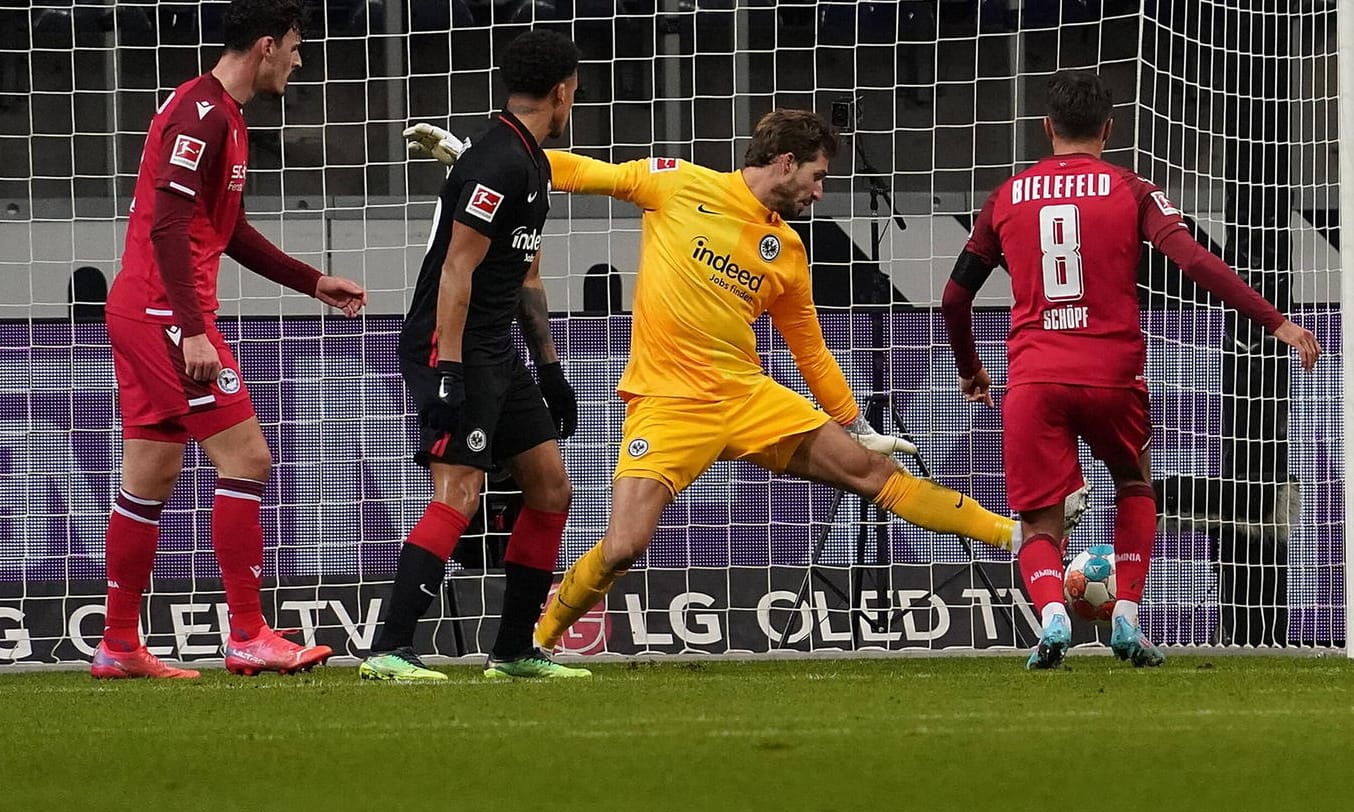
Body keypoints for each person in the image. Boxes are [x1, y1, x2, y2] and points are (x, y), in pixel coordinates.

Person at [406, 109, 1072, 653]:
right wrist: (473, 160)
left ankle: (1016, 537)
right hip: (667, 404)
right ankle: (537, 642)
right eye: (815, 175)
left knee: (874, 477)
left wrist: (857, 425)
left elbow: (808, 349)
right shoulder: (677, 182)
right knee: (622, 546)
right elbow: (580, 171)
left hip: (748, 397)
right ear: (785, 162)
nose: (819, 191)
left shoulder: (788, 249)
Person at [941, 70, 1322, 671]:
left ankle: (1053, 617)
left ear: (1047, 127)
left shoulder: (1007, 197)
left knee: (1038, 519)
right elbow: (1196, 261)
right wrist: (1276, 321)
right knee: (1134, 484)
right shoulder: (1131, 189)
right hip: (1113, 375)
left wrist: (971, 369)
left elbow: (954, 300)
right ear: (1109, 129)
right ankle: (1125, 614)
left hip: (1035, 377)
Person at [94, 0, 367, 680]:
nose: (300, 62)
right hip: (163, 311)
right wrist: (190, 329)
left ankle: (120, 643)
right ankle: (246, 630)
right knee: (248, 458)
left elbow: (226, 228)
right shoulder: (204, 115)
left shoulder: (223, 114)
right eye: (296, 49)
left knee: (149, 477)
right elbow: (165, 224)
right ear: (267, 46)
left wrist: (311, 282)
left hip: (144, 307)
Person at [358, 30, 588, 682]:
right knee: (459, 490)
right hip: (450, 342)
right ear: (562, 90)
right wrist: (450, 372)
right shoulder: (494, 164)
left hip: (498, 347)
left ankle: (514, 650)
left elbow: (526, 275)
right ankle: (389, 647)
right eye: (577, 89)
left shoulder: (533, 163)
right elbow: (457, 270)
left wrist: (549, 369)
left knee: (550, 486)